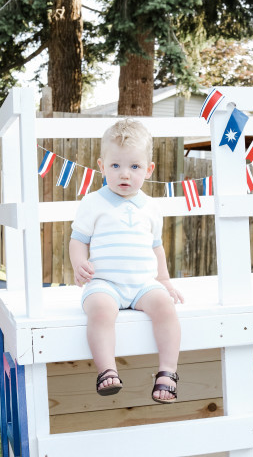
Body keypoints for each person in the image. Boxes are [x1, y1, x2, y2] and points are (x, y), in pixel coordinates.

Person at [69, 118, 184, 403]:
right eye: (116, 166)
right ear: (101, 166)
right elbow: (77, 239)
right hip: (106, 282)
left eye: (134, 167)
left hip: (144, 283)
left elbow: (156, 247)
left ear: (148, 170)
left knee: (166, 308)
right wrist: (78, 263)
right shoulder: (93, 202)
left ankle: (167, 372)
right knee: (100, 311)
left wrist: (164, 280)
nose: (125, 175)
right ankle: (107, 369)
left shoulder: (152, 207)